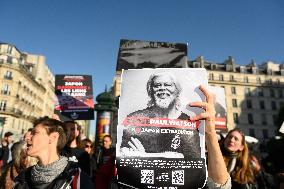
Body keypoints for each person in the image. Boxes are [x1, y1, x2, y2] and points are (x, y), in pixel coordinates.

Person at [120, 72, 200, 159]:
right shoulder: (135, 118)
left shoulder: (188, 122)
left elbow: (193, 159)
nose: (162, 88)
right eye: (157, 85)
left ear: (177, 91)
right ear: (150, 91)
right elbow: (123, 152)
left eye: (167, 85)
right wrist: (168, 156)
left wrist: (144, 156)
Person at [13, 116, 94, 189]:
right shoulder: (23, 178)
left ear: (53, 137)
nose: (27, 138)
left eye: (35, 133)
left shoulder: (76, 179)